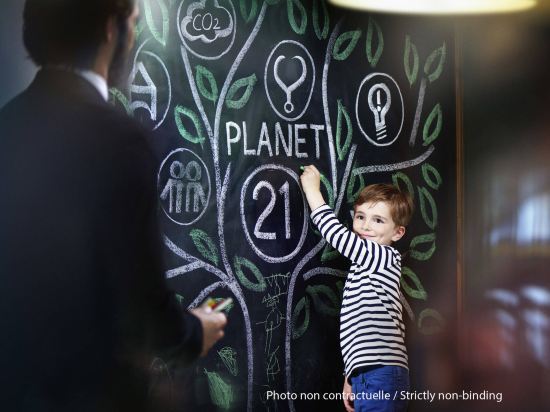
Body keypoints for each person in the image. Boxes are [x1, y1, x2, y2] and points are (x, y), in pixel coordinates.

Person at [0, 1, 226, 411]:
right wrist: (194, 332)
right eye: (133, 23)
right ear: (111, 29)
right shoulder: (118, 140)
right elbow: (142, 311)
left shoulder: (7, 125)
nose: (134, 36)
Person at [300, 165, 413, 412]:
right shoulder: (367, 263)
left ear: (397, 233)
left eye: (378, 220)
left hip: (381, 374)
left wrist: (312, 191)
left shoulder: (381, 256)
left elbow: (336, 234)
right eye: (360, 217)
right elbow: (365, 332)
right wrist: (351, 375)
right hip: (371, 372)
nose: (365, 226)